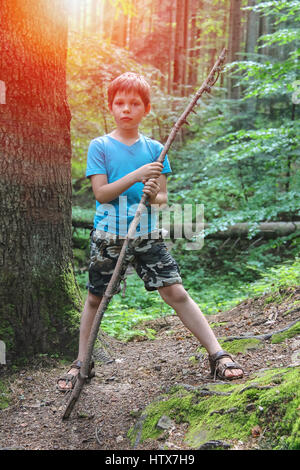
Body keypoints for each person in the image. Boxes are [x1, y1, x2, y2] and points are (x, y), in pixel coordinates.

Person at [57, 72, 243, 391]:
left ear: (146, 109)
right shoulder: (100, 146)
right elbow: (101, 193)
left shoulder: (157, 148)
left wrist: (153, 188)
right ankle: (81, 363)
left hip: (147, 235)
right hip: (108, 237)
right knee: (94, 299)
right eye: (119, 103)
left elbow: (162, 199)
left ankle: (218, 355)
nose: (126, 109)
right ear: (111, 107)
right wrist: (137, 175)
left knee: (175, 292)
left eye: (134, 104)